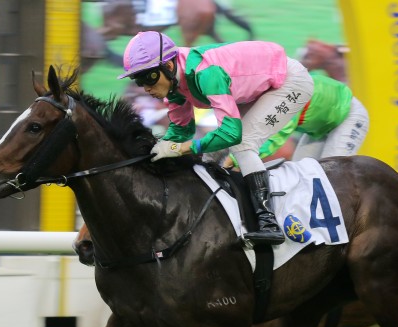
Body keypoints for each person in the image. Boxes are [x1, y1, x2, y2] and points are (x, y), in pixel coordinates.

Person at [118, 31, 314, 245]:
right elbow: (181, 131)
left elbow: (231, 133)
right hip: (256, 87)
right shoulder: (173, 84)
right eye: (139, 81)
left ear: (170, 66)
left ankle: (268, 222)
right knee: (209, 157)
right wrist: (156, 150)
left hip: (290, 82)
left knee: (244, 142)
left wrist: (181, 149)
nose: (146, 88)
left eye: (149, 77)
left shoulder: (206, 74)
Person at [247, 74, 369, 162]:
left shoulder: (286, 96)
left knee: (332, 172)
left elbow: (275, 141)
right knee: (301, 175)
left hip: (348, 116)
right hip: (319, 128)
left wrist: (237, 161)